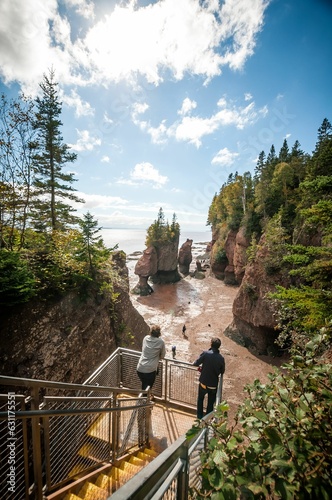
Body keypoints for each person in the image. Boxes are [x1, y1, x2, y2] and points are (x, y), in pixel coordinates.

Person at [193, 338, 225, 419]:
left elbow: (196, 363)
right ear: (219, 347)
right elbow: (222, 371)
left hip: (203, 382)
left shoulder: (205, 353)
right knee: (210, 404)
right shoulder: (221, 358)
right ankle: (206, 421)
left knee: (200, 400)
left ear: (211, 344)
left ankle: (199, 418)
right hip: (213, 385)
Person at [137, 325, 166, 391]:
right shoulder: (161, 342)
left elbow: (144, 349)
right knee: (147, 388)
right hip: (150, 370)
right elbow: (162, 356)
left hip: (140, 368)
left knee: (144, 385)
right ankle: (143, 400)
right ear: (159, 333)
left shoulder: (145, 338)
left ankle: (145, 398)